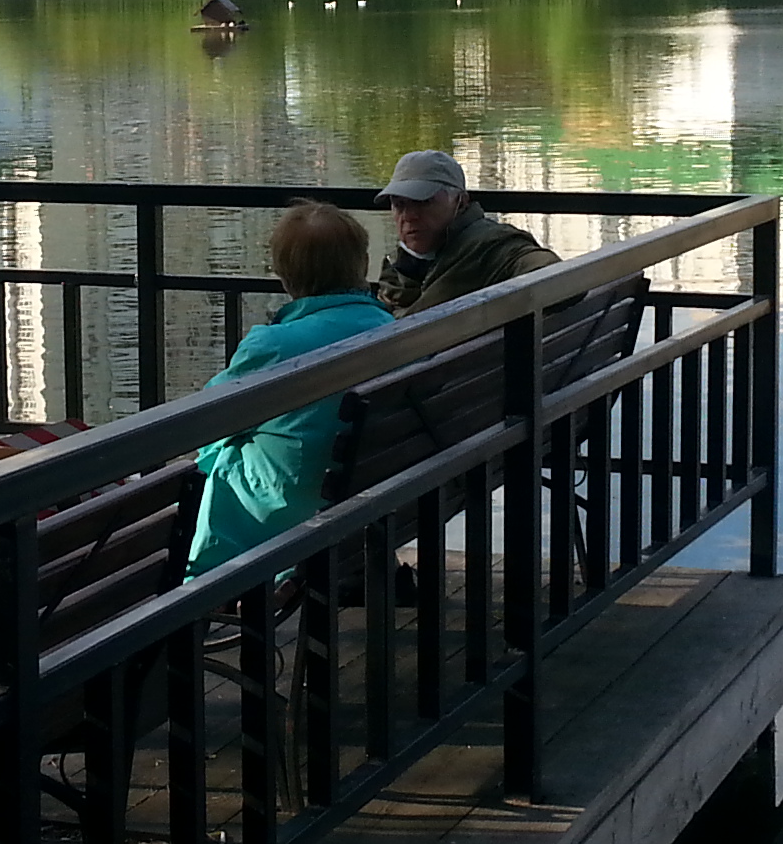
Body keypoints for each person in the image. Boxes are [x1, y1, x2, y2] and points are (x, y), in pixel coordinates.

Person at [186, 201, 391, 575]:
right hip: (373, 501)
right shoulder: (391, 328)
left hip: (290, 517)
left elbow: (205, 418)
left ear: (285, 276)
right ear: (361, 264)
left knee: (208, 466)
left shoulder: (274, 347)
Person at [371, 150, 556, 316]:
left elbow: (554, 277)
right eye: (399, 204)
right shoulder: (399, 267)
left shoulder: (493, 248)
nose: (409, 216)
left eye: (424, 201)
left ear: (461, 202)